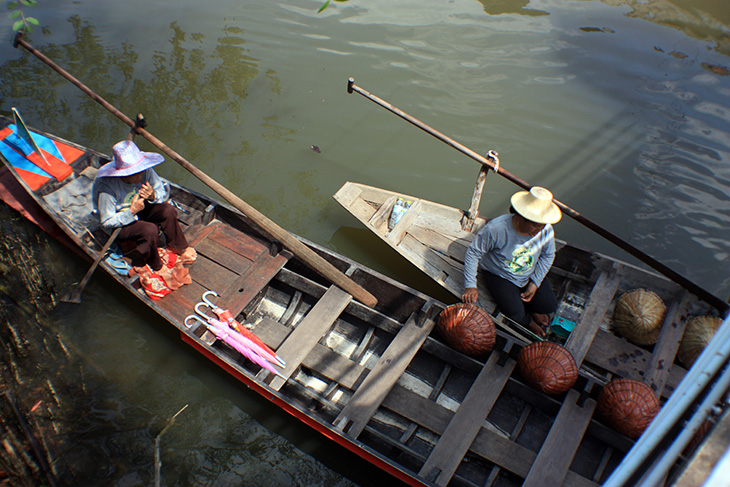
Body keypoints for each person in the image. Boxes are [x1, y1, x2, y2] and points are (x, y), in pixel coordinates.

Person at [92, 136, 196, 286]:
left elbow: (161, 192)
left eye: (139, 171)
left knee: (167, 209)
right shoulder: (106, 187)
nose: (139, 176)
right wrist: (131, 211)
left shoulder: (146, 171)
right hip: (120, 222)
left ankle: (177, 245)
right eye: (134, 174)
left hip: (140, 209)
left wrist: (153, 195)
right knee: (149, 229)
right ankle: (156, 264)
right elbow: (107, 221)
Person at [462, 186, 561, 337]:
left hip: (527, 273)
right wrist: (470, 285)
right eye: (535, 225)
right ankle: (529, 321)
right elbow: (473, 253)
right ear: (521, 216)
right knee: (514, 312)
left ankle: (533, 310)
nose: (540, 230)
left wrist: (535, 283)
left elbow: (548, 256)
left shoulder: (546, 229)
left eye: (542, 225)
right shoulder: (496, 229)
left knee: (549, 305)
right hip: (499, 274)